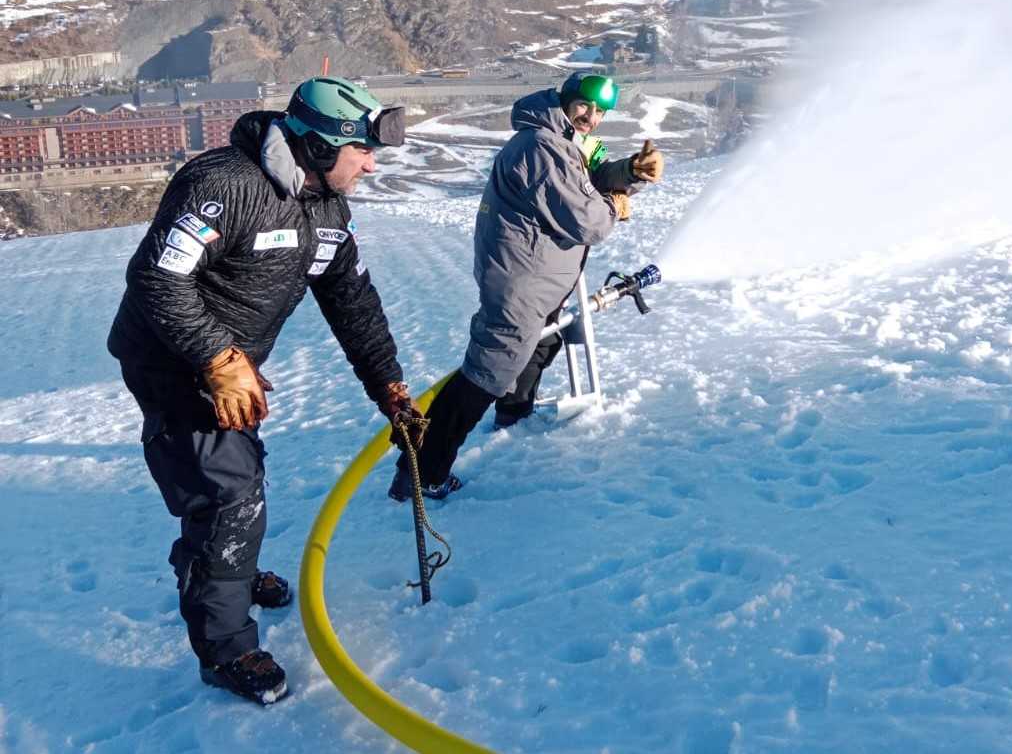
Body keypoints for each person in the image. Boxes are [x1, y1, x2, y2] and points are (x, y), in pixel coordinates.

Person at [107, 77, 427, 705]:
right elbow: (156, 279)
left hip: (232, 366)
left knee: (237, 474)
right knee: (227, 497)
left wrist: (387, 385)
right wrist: (217, 358)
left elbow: (352, 301)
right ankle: (226, 648)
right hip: (171, 361)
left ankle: (233, 569)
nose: (371, 162)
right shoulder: (222, 185)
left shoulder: (327, 211)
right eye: (362, 150)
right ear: (315, 145)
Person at [388, 72, 664, 502]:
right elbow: (587, 218)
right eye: (584, 107)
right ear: (565, 101)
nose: (591, 118)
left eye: (600, 112)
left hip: (537, 278)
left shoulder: (557, 141)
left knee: (536, 346)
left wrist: (627, 173)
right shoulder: (541, 146)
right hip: (521, 281)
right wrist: (615, 206)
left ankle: (512, 415)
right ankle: (422, 474)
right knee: (482, 377)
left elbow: (583, 182)